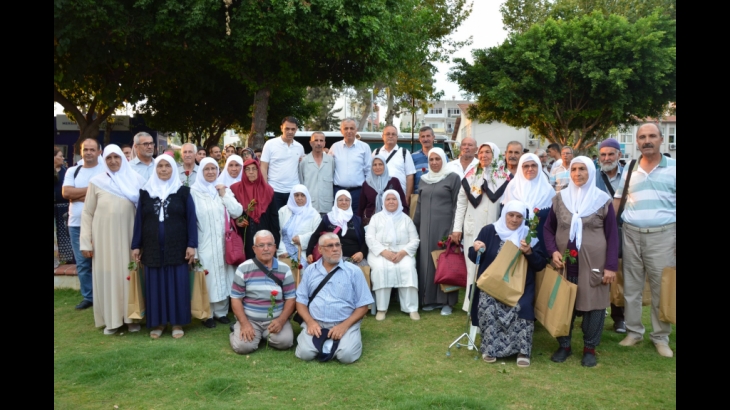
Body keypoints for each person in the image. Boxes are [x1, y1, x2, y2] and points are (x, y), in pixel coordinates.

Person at [543, 156, 619, 367]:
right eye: (574, 169)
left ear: (591, 172)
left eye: (582, 169)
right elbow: (549, 228)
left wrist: (611, 266)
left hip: (594, 264)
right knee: (563, 303)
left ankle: (589, 348)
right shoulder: (560, 198)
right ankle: (564, 345)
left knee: (594, 305)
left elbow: (613, 235)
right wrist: (552, 251)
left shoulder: (602, 199)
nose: (577, 173)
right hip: (565, 264)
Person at [613, 123, 676, 358]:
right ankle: (634, 332)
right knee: (631, 286)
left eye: (651, 136)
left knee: (662, 288)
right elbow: (618, 200)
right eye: (642, 137)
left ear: (661, 139)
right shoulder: (629, 168)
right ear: (637, 142)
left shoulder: (674, 168)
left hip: (664, 236)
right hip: (631, 234)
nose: (646, 140)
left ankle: (660, 337)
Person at [468, 200, 547, 367]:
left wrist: (529, 252)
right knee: (488, 302)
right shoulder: (490, 231)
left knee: (523, 305)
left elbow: (540, 264)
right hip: (492, 284)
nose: (514, 219)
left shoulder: (529, 236)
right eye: (511, 215)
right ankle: (490, 348)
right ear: (504, 215)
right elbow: (474, 257)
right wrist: (476, 248)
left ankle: (523, 351)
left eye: (519, 216)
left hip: (520, 287)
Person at [80, 144, 147, 334]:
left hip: (129, 239)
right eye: (109, 158)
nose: (113, 161)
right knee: (108, 276)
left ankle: (132, 318)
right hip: (104, 242)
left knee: (130, 277)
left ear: (123, 158)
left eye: (116, 157)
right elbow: (87, 213)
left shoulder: (137, 180)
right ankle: (112, 321)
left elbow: (145, 211)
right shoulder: (97, 181)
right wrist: (85, 242)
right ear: (104, 159)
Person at [131, 154, 198, 339]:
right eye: (159, 166)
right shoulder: (145, 193)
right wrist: (136, 245)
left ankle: (177, 323)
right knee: (155, 285)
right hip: (152, 247)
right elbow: (139, 221)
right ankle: (158, 323)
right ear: (155, 169)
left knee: (177, 284)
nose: (163, 169)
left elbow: (191, 220)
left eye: (167, 166)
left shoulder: (183, 192)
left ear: (173, 169)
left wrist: (192, 244)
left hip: (177, 245)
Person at [295, 233, 374, 363]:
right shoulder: (310, 271)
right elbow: (301, 301)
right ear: (320, 249)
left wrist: (344, 326)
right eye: (330, 246)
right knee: (304, 354)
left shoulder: (354, 271)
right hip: (316, 323)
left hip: (345, 322)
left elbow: (363, 305)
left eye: (338, 245)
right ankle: (329, 344)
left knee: (346, 356)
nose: (335, 249)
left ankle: (343, 339)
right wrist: (310, 322)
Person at [451, 143, 510, 317]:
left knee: (492, 265)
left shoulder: (504, 177)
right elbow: (461, 203)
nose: (484, 155)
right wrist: (456, 229)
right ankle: (471, 306)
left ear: (495, 154)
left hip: (495, 228)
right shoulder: (470, 175)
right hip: (472, 227)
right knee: (472, 266)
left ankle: (491, 305)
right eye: (482, 152)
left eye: (488, 152)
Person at [190, 157, 243, 328]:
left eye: (214, 168)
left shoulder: (223, 190)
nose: (211, 172)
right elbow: (190, 220)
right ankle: (208, 314)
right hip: (203, 241)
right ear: (201, 172)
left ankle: (221, 312)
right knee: (207, 276)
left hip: (223, 242)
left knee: (223, 275)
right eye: (207, 169)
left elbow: (237, 211)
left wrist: (224, 194)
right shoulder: (193, 192)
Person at [229, 230, 296, 354]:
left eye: (269, 245)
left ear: (275, 248)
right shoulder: (243, 268)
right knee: (243, 347)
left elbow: (291, 298)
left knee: (285, 342)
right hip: (251, 320)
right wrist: (244, 324)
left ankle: (260, 335)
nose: (266, 248)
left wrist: (281, 321)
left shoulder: (284, 269)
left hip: (275, 319)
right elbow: (236, 298)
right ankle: (238, 329)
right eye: (261, 245)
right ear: (254, 249)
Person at [413, 148, 461, 315]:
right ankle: (430, 299)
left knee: (445, 264)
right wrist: (415, 227)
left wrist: (455, 229)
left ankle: (447, 302)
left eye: (437, 159)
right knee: (427, 263)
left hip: (445, 229)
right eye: (431, 159)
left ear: (444, 160)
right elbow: (419, 205)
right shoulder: (424, 180)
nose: (434, 162)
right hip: (425, 230)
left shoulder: (453, 178)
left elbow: (458, 205)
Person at [365, 190, 420, 321]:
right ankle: (381, 308)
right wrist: (384, 252)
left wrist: (402, 253)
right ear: (383, 202)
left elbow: (415, 240)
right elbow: (370, 238)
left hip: (402, 252)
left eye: (394, 199)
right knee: (381, 269)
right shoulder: (376, 218)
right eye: (388, 199)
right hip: (379, 253)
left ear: (399, 201)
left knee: (408, 268)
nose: (391, 201)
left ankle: (411, 308)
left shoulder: (406, 219)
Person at [63, 138, 104, 310]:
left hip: (100, 223)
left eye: (92, 149)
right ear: (81, 151)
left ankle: (103, 295)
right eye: (85, 149)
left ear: (99, 152)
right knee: (82, 262)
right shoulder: (73, 170)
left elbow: (105, 192)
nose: (88, 152)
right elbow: (66, 193)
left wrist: (77, 196)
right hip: (76, 224)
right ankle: (89, 297)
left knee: (102, 261)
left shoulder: (105, 170)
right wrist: (92, 191)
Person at [595, 138, 626, 333]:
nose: (607, 158)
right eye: (603, 155)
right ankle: (594, 315)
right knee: (596, 272)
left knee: (619, 273)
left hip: (622, 229)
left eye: (611, 154)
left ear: (619, 155)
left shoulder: (629, 176)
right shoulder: (593, 176)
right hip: (597, 230)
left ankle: (619, 317)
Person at [501, 153, 556, 258]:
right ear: (521, 167)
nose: (530, 169)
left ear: (539, 167)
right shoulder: (512, 187)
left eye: (534, 165)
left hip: (541, 245)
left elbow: (553, 223)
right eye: (526, 166)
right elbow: (503, 218)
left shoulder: (548, 190)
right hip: (514, 244)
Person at [230, 159, 281, 263]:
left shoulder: (268, 190)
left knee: (265, 263)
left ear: (258, 171)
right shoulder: (235, 189)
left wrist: (275, 242)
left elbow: (274, 217)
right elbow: (231, 214)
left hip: (265, 234)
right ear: (243, 173)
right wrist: (237, 222)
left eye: (254, 169)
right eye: (247, 169)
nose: (251, 172)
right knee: (248, 266)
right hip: (244, 236)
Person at [306, 190, 368, 266]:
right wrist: (309, 253)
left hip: (354, 258)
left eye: (347, 200)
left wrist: (362, 253)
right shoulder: (328, 218)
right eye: (340, 200)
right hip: (331, 257)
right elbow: (315, 236)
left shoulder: (357, 220)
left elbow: (365, 240)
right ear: (336, 202)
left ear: (350, 202)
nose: (344, 202)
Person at [261, 116, 306, 211]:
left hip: (293, 191)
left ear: (296, 129)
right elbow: (263, 167)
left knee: (292, 220)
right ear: (281, 127)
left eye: (293, 129)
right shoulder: (270, 144)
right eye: (287, 128)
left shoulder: (299, 147)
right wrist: (265, 188)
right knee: (276, 220)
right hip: (274, 190)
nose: (290, 131)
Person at [329, 118, 371, 214]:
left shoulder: (364, 147)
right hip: (338, 191)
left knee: (356, 221)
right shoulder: (335, 147)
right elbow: (327, 165)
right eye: (346, 128)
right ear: (341, 131)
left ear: (356, 130)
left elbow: (368, 171)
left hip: (358, 192)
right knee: (338, 221)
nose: (349, 131)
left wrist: (366, 191)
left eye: (352, 128)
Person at [277, 185, 322, 271]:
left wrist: (301, 239)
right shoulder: (283, 211)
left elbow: (317, 235)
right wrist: (281, 250)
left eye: (302, 195)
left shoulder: (314, 214)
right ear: (292, 196)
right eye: (296, 195)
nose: (299, 198)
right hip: (283, 252)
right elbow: (276, 232)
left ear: (307, 196)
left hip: (304, 252)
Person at [357, 155, 408, 224]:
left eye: (380, 164)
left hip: (393, 221)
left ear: (385, 166)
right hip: (370, 222)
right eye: (374, 165)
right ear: (371, 167)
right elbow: (361, 207)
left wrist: (403, 221)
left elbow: (402, 204)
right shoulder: (366, 184)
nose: (377, 167)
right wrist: (359, 225)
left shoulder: (394, 182)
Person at [372, 125, 416, 205]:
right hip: (379, 196)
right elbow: (371, 174)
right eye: (388, 134)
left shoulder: (404, 153)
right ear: (383, 136)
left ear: (397, 137)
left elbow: (410, 176)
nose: (390, 136)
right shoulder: (376, 152)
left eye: (393, 134)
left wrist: (407, 197)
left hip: (400, 196)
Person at [299, 132, 335, 214]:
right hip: (309, 206)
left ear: (324, 143)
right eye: (316, 140)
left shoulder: (331, 161)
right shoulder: (304, 161)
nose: (319, 143)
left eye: (321, 140)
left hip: (327, 206)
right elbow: (301, 182)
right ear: (311, 143)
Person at [55, 146, 74, 265]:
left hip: (63, 207)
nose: (63, 158)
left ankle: (67, 259)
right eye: (60, 156)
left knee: (64, 233)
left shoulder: (66, 171)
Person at [411, 126, 438, 195]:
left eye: (428, 136)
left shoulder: (441, 155)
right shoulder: (413, 157)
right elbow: (410, 178)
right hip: (418, 196)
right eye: (423, 136)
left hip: (436, 196)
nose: (425, 139)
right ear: (419, 139)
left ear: (433, 137)